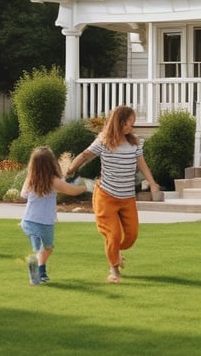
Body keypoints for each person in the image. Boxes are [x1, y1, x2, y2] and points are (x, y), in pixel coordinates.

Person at [65, 105, 160, 283]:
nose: (131, 127)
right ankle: (114, 270)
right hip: (106, 195)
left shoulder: (135, 142)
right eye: (129, 123)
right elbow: (85, 155)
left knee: (131, 236)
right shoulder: (104, 141)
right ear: (119, 122)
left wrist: (153, 184)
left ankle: (115, 251)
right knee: (113, 234)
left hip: (127, 197)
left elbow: (142, 164)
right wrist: (71, 168)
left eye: (133, 123)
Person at [20, 146, 94, 285]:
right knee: (47, 248)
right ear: (51, 163)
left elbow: (23, 194)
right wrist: (86, 187)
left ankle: (39, 273)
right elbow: (70, 190)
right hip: (44, 222)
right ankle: (38, 271)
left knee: (41, 249)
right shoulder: (53, 181)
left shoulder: (32, 179)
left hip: (29, 221)